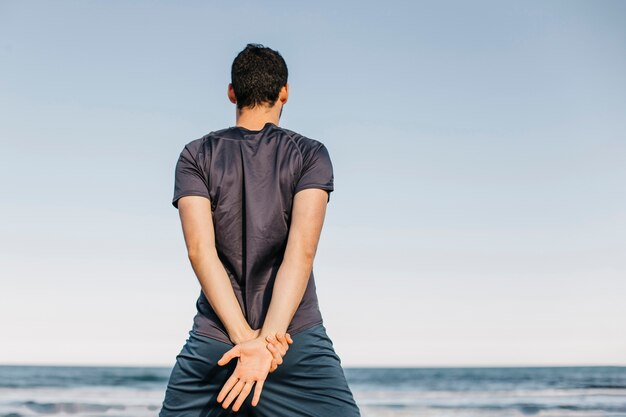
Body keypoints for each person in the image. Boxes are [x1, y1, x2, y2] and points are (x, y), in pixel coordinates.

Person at [158, 43, 362, 417]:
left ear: (232, 92)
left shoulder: (195, 155)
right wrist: (265, 346)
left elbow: (200, 252)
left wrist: (246, 342)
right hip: (293, 340)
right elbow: (300, 254)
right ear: (284, 92)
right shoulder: (311, 154)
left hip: (218, 343)